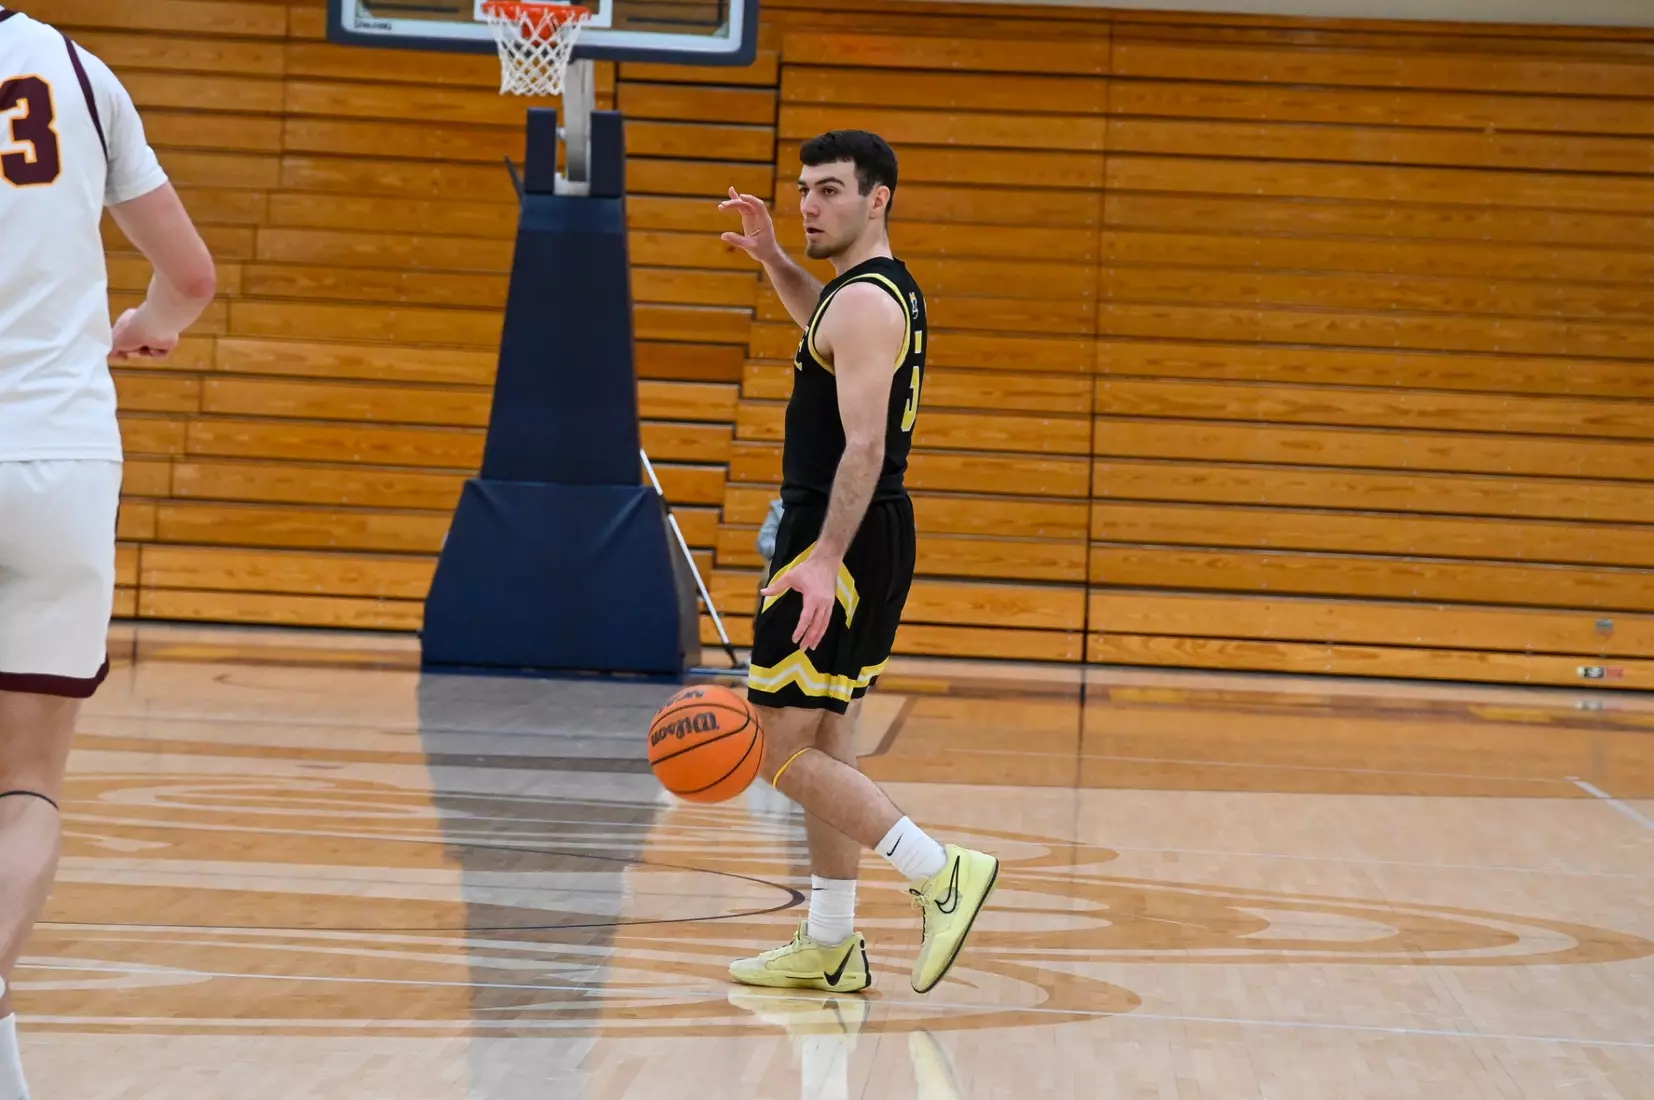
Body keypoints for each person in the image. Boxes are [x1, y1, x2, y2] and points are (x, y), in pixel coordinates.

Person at [719, 130, 997, 996]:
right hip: (855, 535)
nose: (810, 204)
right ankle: (832, 943)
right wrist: (772, 258)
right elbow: (822, 328)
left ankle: (938, 872)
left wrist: (819, 558)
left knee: (770, 749)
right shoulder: (862, 296)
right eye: (805, 188)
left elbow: (866, 444)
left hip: (835, 540)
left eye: (831, 189)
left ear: (877, 199)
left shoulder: (870, 303)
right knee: (827, 740)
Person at [0, 10, 216, 1096]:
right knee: (26, 787)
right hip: (58, 455)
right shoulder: (80, 74)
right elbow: (190, 275)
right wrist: (141, 321)